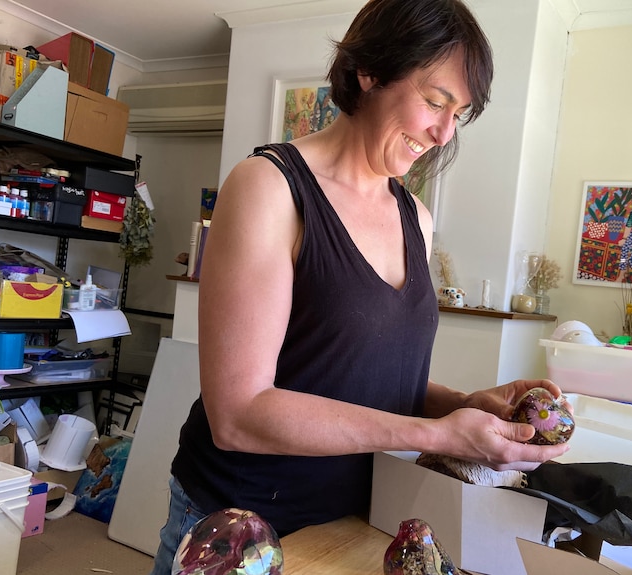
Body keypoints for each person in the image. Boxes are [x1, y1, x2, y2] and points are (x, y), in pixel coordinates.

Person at [150, 1, 569, 571]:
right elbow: (239, 412)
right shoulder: (269, 189)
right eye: (435, 101)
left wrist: (466, 406)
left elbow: (369, 375)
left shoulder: (413, 217)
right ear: (370, 71)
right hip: (241, 528)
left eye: (459, 113)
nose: (444, 133)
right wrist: (439, 435)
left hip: (358, 518)